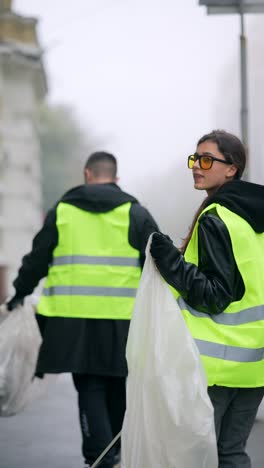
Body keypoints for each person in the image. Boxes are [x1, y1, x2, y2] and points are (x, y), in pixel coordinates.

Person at [7, 151, 159, 468]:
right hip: (121, 319)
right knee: (118, 381)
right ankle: (109, 453)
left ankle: (99, 456)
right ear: (115, 178)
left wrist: (19, 294)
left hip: (70, 319)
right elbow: (157, 261)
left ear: (87, 174)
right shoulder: (135, 212)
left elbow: (36, 259)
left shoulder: (62, 211)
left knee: (89, 384)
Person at [150, 130, 264, 468]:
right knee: (232, 453)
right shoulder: (254, 217)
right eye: (194, 159)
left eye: (206, 160)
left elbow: (215, 295)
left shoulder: (217, 217)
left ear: (231, 168)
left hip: (214, 366)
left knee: (199, 456)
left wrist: (169, 261)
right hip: (254, 365)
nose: (196, 167)